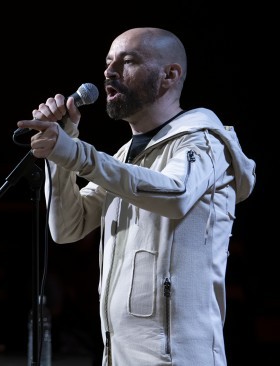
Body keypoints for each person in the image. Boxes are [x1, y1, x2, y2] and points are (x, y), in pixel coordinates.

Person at [16, 27, 256, 366]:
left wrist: (76, 155)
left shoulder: (204, 142)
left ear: (170, 75)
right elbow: (67, 228)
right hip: (119, 356)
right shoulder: (123, 158)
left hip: (181, 358)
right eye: (108, 62)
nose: (110, 72)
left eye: (128, 61)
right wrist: (60, 157)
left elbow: (175, 195)